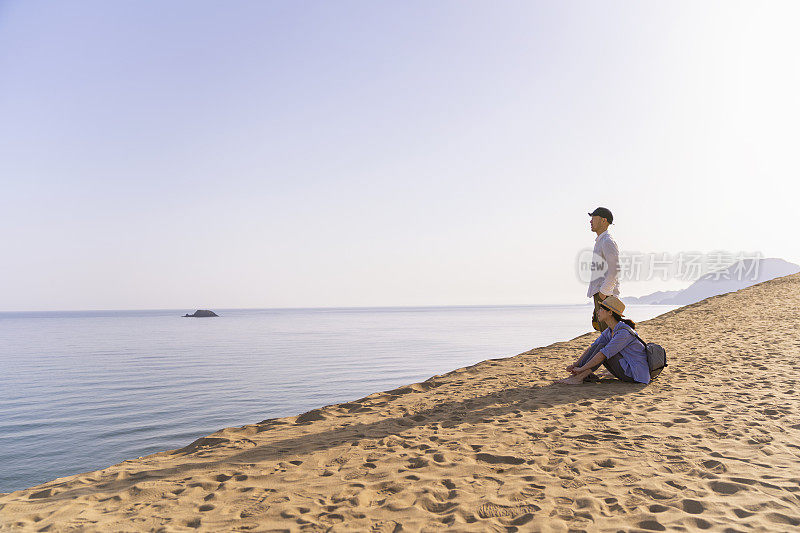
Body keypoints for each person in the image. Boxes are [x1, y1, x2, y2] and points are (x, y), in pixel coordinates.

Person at [556, 296, 651, 385]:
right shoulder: (610, 330)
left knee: (603, 350)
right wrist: (575, 365)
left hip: (635, 375)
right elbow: (592, 347)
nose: (598, 312)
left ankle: (579, 377)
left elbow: (603, 354)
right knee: (599, 346)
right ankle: (576, 376)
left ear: (610, 312)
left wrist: (581, 369)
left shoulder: (624, 333)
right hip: (624, 367)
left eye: (601, 309)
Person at [587, 207, 620, 332]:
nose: (590, 221)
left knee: (608, 334)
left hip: (606, 296)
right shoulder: (600, 241)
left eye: (593, 218)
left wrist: (603, 293)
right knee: (604, 333)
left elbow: (615, 269)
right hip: (602, 295)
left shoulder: (607, 241)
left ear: (603, 220)